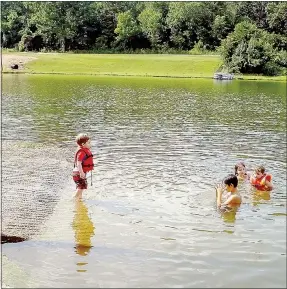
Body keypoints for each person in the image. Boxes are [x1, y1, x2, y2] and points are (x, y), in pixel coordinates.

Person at [72, 133, 94, 199]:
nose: (90, 144)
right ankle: (73, 198)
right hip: (78, 173)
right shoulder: (82, 152)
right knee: (81, 187)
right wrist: (81, 173)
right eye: (89, 143)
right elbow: (78, 163)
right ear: (83, 144)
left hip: (79, 173)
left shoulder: (84, 150)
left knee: (81, 187)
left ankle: (79, 199)